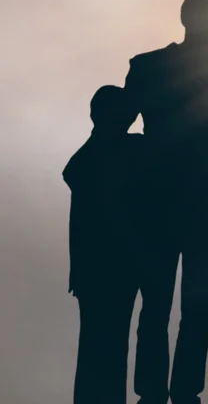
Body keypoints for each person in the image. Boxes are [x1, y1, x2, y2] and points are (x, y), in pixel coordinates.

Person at [124, 0, 208, 404]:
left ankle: (160, 390)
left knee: (165, 304)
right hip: (193, 199)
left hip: (170, 200)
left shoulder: (150, 66)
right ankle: (176, 389)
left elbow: (122, 125)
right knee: (184, 306)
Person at [64, 85, 144, 404]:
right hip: (112, 267)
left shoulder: (88, 158)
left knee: (98, 348)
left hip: (96, 268)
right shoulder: (119, 153)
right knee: (109, 347)